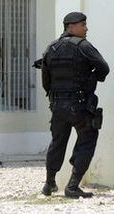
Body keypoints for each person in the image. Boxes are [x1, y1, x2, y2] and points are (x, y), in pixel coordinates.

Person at [41, 12, 109, 198]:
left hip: (57, 105)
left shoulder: (50, 48)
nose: (86, 28)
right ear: (70, 27)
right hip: (79, 106)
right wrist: (92, 77)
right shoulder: (83, 46)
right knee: (87, 139)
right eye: (83, 25)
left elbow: (45, 81)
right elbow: (104, 68)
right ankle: (72, 186)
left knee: (57, 143)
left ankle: (49, 184)